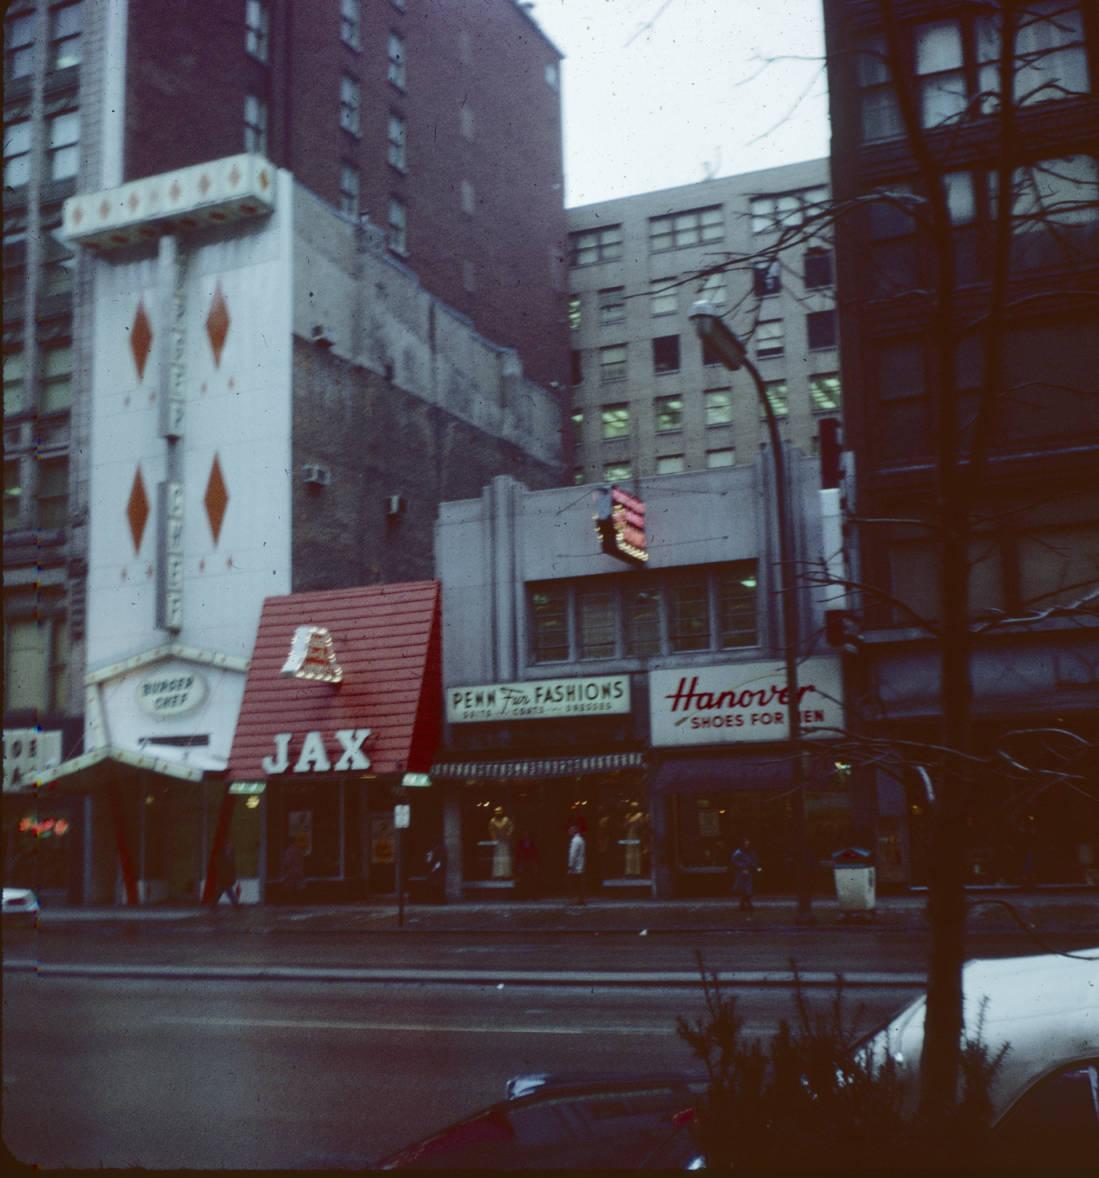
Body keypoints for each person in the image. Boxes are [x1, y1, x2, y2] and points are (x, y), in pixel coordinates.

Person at [730, 837, 760, 914]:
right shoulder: (738, 852)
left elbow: (754, 860)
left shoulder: (750, 852)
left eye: (748, 844)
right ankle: (747, 905)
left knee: (747, 889)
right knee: (745, 889)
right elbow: (734, 861)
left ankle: (744, 905)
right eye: (745, 844)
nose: (747, 845)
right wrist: (742, 867)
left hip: (749, 872)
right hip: (741, 873)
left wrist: (755, 867)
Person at [211, 838, 240, 907]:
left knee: (224, 891)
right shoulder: (221, 854)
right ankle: (235, 904)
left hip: (227, 877)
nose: (230, 846)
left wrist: (233, 876)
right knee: (224, 891)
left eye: (230, 845)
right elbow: (217, 863)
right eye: (228, 844)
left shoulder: (231, 854)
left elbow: (233, 867)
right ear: (225, 846)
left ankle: (213, 905)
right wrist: (221, 870)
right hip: (222, 876)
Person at [567, 823, 587, 906]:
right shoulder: (581, 840)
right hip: (580, 865)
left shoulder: (575, 841)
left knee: (575, 884)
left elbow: (573, 854)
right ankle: (580, 899)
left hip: (575, 867)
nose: (569, 831)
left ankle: (575, 900)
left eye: (570, 830)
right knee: (579, 884)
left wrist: (570, 865)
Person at [515, 832, 539, 899]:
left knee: (531, 880)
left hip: (530, 863)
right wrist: (519, 865)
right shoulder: (520, 844)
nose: (526, 836)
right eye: (525, 835)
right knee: (523, 880)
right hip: (523, 863)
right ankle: (524, 895)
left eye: (527, 835)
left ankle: (532, 895)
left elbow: (535, 854)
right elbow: (518, 854)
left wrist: (535, 865)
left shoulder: (532, 843)